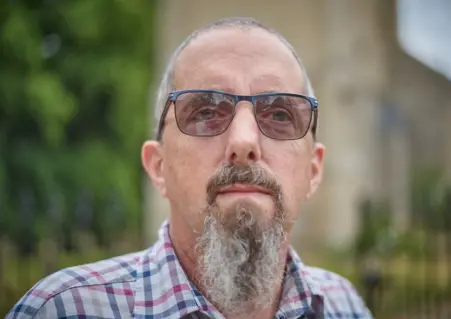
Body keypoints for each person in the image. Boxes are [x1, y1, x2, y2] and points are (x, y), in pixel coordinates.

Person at [7, 17, 372, 319]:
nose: (244, 142)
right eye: (206, 112)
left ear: (313, 170)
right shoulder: (62, 310)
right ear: (158, 167)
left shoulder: (346, 307)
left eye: (279, 114)